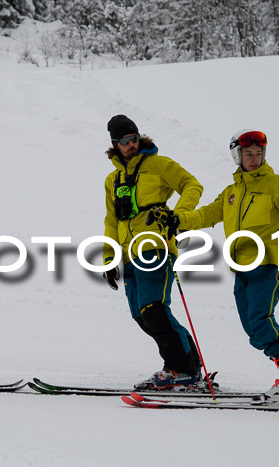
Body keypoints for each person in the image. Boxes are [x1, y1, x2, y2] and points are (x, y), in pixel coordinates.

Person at [152, 129, 279, 403]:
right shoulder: (231, 192)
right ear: (237, 156)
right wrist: (178, 220)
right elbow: (207, 214)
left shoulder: (275, 183)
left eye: (258, 153)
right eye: (248, 154)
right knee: (253, 329)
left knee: (262, 321)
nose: (254, 158)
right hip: (241, 268)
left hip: (268, 264)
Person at [101, 114, 205, 390]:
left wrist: (177, 216)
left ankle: (179, 369)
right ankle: (192, 365)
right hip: (128, 254)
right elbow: (111, 221)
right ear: (115, 144)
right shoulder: (113, 180)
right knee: (142, 315)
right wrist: (109, 258)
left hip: (156, 246)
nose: (132, 144)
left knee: (154, 310)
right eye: (125, 141)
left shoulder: (158, 164)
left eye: (134, 138)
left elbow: (192, 185)